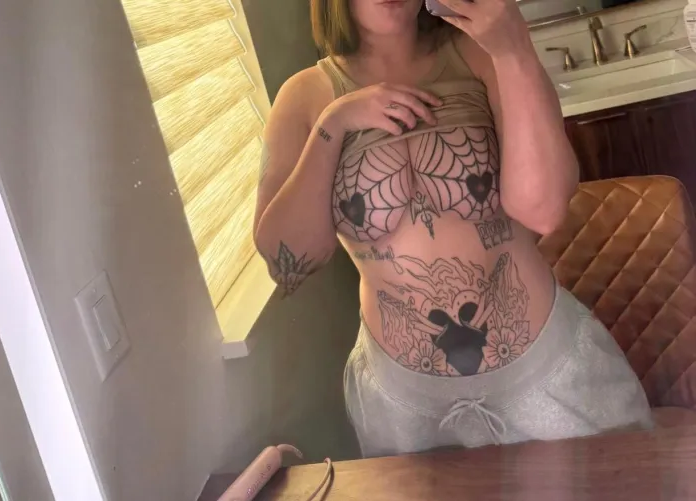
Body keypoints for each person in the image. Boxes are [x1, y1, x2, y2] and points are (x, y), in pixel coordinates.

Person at [253, 0, 652, 458]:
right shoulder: (303, 97)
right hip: (404, 408)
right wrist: (334, 123)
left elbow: (542, 211)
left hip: (551, 377)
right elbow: (288, 261)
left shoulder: (482, 54)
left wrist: (513, 48)